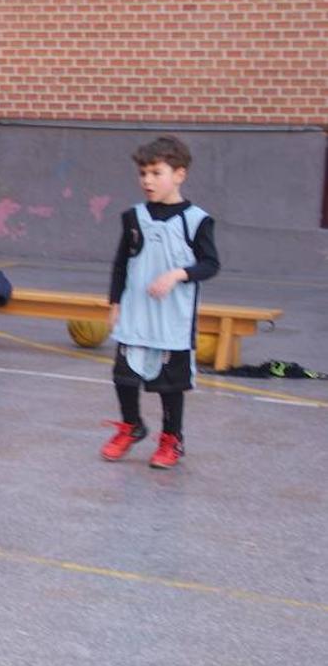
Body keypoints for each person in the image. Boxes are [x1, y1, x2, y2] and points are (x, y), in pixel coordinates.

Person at [101, 135, 219, 469]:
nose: (147, 181)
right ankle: (132, 425)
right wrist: (115, 303)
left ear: (179, 174)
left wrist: (177, 274)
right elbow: (121, 262)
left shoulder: (197, 220)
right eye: (143, 174)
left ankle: (172, 438)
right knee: (123, 376)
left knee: (171, 385)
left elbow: (210, 264)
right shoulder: (134, 217)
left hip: (173, 321)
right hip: (137, 314)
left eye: (156, 173)